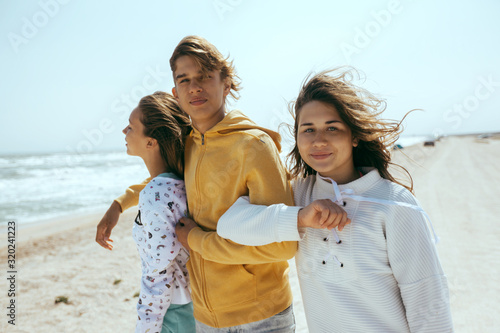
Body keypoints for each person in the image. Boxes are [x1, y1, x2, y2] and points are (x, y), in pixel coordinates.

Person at [216, 69, 454, 332]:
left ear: (354, 136)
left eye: (332, 127)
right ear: (297, 138)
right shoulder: (298, 195)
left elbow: (428, 302)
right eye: (308, 129)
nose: (319, 140)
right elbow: (229, 225)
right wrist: (300, 217)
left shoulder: (395, 204)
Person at [96, 36, 298, 332]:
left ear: (226, 83)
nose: (195, 87)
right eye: (185, 79)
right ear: (175, 92)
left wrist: (198, 240)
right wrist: (119, 204)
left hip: (261, 316)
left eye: (205, 76)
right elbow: (165, 183)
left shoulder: (254, 145)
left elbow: (283, 244)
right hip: (203, 318)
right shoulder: (188, 143)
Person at [117, 91, 195, 333]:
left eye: (131, 127)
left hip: (173, 311)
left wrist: (145, 327)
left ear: (151, 142)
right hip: (193, 302)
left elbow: (159, 275)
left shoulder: (155, 195)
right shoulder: (182, 183)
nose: (124, 132)